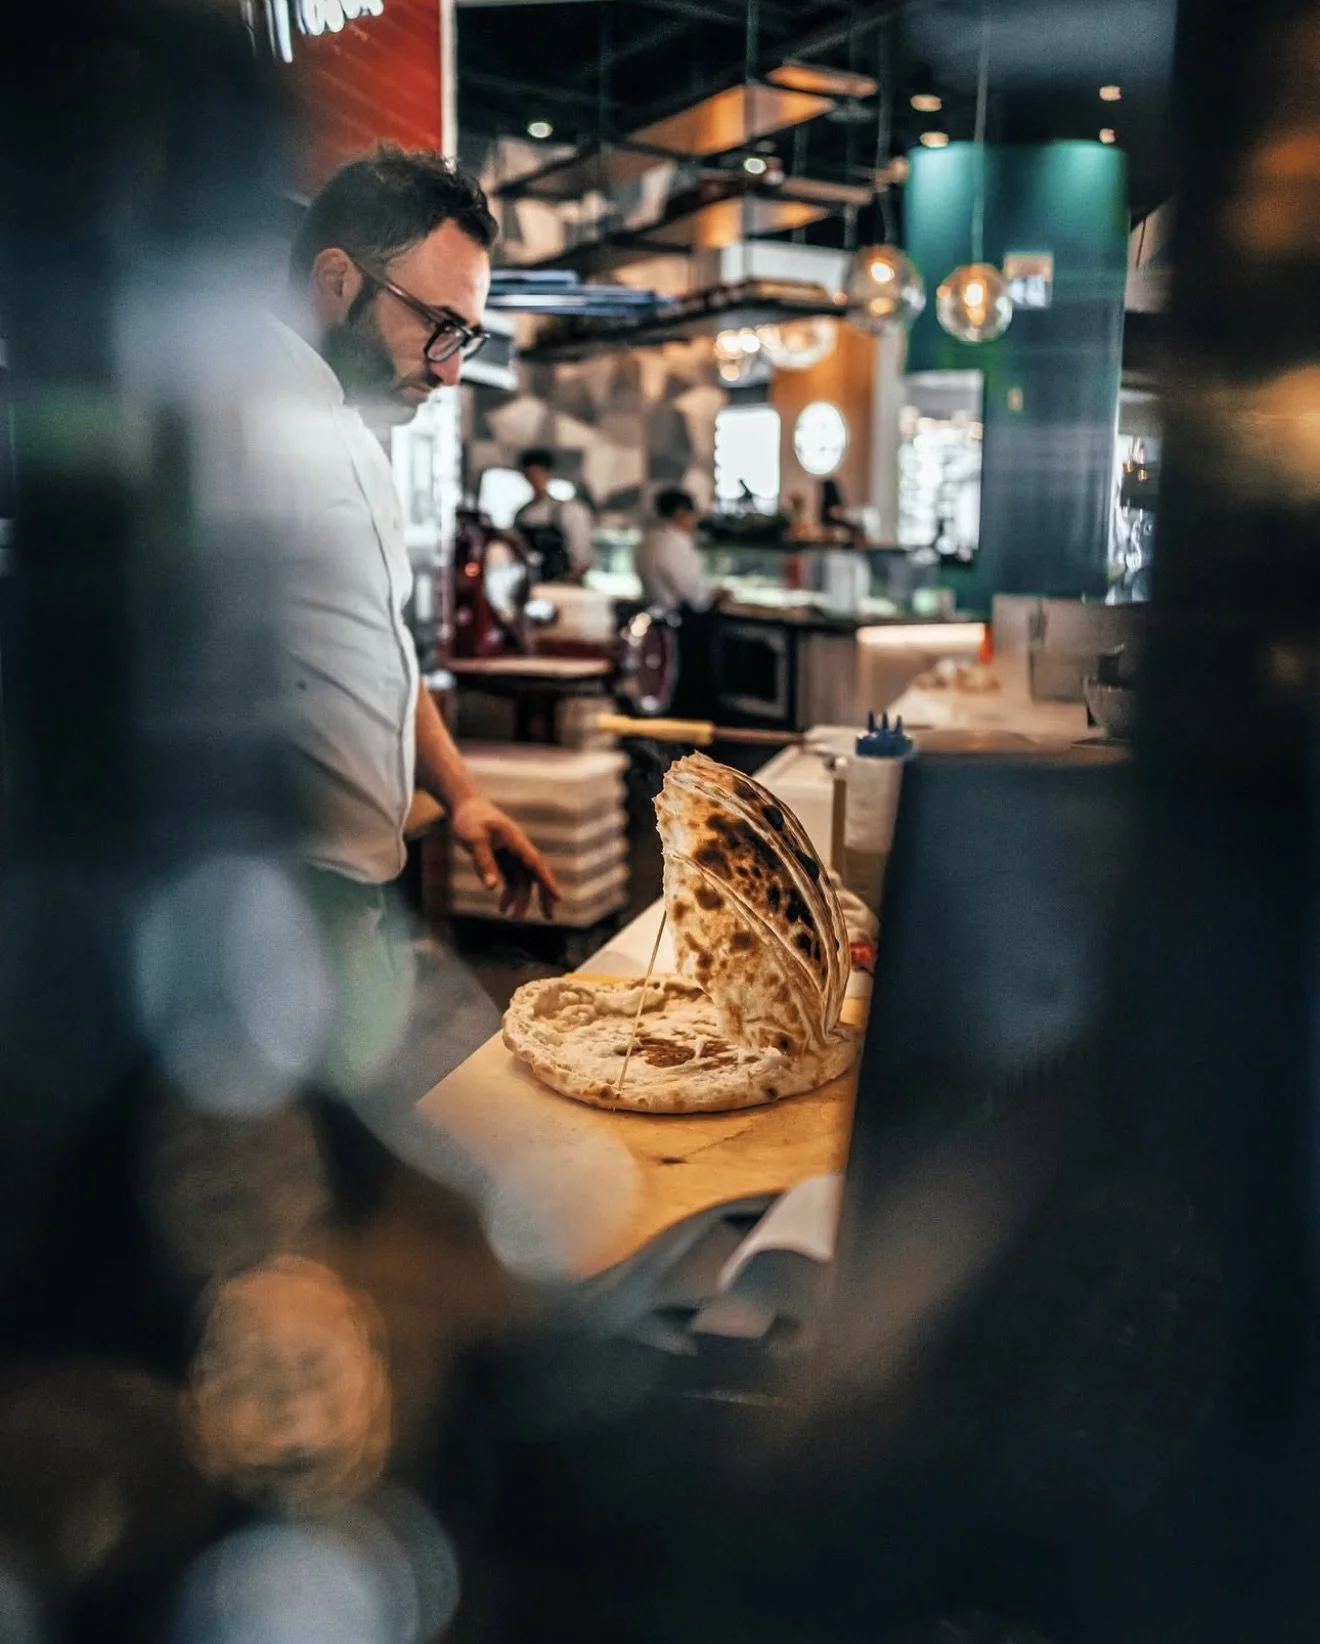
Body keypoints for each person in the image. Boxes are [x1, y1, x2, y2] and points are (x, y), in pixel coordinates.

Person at [514, 448, 595, 582]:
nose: (535, 479)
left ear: (548, 474)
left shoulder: (569, 510)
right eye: (530, 475)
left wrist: (569, 581)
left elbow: (582, 557)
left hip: (562, 584)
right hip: (531, 583)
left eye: (539, 474)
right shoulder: (522, 514)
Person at [633, 487, 714, 615]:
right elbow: (690, 590)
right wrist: (711, 595)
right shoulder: (675, 543)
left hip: (654, 612)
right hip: (677, 619)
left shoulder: (648, 540)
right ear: (680, 513)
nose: (696, 520)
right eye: (693, 514)